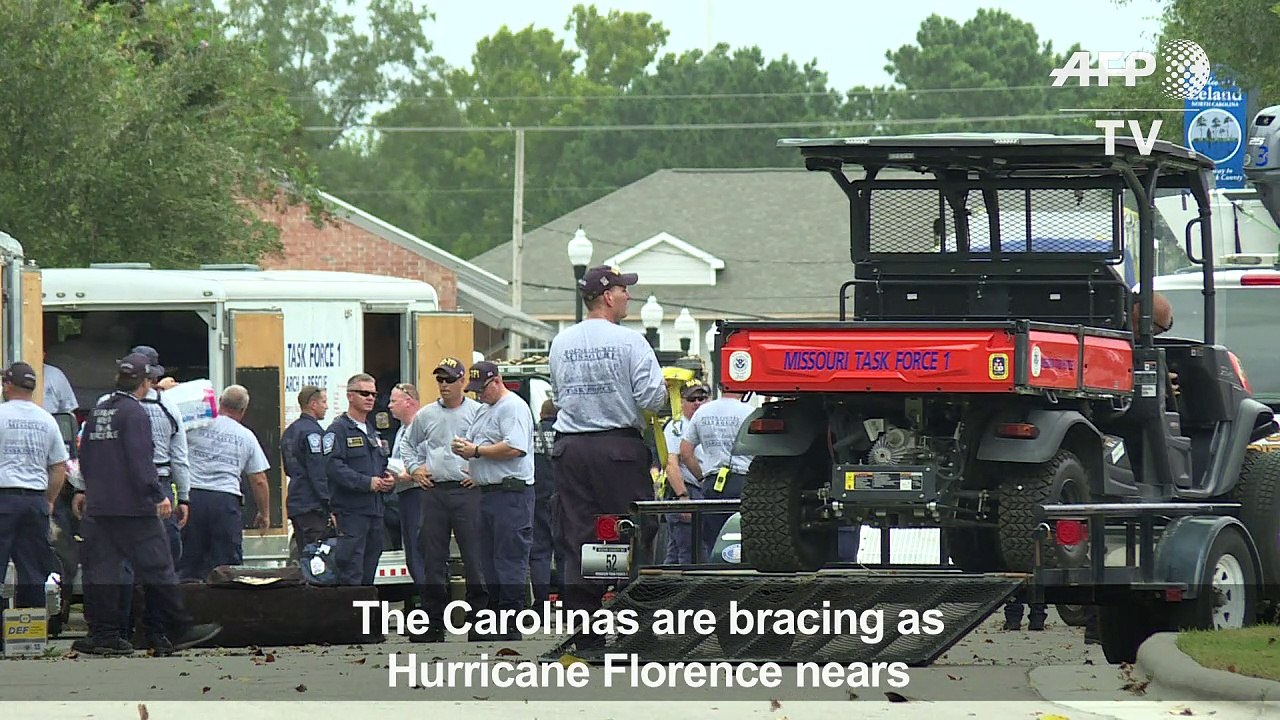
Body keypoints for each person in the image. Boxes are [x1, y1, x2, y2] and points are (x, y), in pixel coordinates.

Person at [73, 353, 221, 655]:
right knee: (159, 567)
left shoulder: (99, 410)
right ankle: (175, 629)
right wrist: (158, 495)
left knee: (103, 572)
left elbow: (85, 457)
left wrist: (87, 491)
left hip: (101, 507)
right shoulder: (135, 412)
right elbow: (140, 460)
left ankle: (106, 635)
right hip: (135, 507)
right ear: (144, 382)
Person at [548, 265, 668, 629]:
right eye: (623, 289)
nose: (628, 295)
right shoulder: (629, 342)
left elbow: (557, 395)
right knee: (633, 532)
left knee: (579, 536)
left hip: (571, 450)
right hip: (618, 449)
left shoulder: (561, 342)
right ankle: (636, 624)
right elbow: (652, 396)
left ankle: (585, 631)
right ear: (607, 296)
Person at [400, 357, 486, 642]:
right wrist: (415, 470)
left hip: (467, 492)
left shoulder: (477, 412)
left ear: (462, 381)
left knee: (474, 557)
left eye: (450, 380)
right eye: (440, 380)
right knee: (432, 558)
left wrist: (481, 474)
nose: (444, 385)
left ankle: (479, 621)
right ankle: (433, 622)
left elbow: (490, 444)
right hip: (435, 492)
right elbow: (408, 444)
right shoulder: (426, 415)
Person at [451, 361, 535, 640]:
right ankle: (495, 618)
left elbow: (514, 447)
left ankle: (510, 622)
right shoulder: (486, 410)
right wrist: (473, 458)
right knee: (488, 560)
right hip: (489, 492)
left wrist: (476, 451)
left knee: (508, 560)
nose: (479, 395)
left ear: (497, 381)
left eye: (482, 389)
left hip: (511, 494)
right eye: (474, 391)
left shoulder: (512, 407)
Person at [178, 385, 271, 581]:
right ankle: (226, 607)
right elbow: (259, 480)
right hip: (225, 502)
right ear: (243, 410)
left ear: (220, 401)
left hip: (192, 498)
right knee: (227, 566)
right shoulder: (246, 436)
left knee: (188, 561)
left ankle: (187, 605)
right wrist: (264, 514)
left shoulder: (196, 425)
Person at [0, 362, 68, 617]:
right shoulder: (47, 420)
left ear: (7, 385)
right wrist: (49, 501)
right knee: (32, 572)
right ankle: (30, 634)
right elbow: (59, 467)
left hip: (4, 499)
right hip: (35, 502)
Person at [326, 373, 397, 586]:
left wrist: (388, 481)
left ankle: (365, 617)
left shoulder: (373, 432)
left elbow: (381, 465)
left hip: (375, 512)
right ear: (350, 396)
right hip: (352, 512)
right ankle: (351, 618)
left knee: (369, 572)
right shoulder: (338, 430)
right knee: (351, 571)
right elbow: (333, 467)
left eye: (373, 394)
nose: (370, 398)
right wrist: (366, 482)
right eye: (364, 393)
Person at [679, 382, 755, 559]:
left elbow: (685, 451)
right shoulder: (748, 412)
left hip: (712, 484)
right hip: (742, 482)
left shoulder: (703, 412)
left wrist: (701, 478)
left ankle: (717, 576)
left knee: (714, 540)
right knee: (743, 538)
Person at [281, 385, 332, 559]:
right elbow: (318, 471)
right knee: (317, 558)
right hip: (313, 504)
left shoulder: (289, 432)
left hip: (297, 500)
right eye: (324, 402)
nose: (327, 406)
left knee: (304, 553)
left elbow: (288, 468)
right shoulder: (313, 433)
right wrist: (329, 502)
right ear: (313, 404)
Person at [663, 382, 710, 564]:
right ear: (682, 402)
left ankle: (665, 589)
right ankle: (690, 591)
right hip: (687, 490)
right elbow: (671, 464)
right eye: (692, 399)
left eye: (702, 398)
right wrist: (683, 497)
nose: (697, 403)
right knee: (691, 553)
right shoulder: (677, 427)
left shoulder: (706, 423)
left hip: (703, 490)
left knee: (676, 552)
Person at [386, 383, 425, 586]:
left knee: (420, 551)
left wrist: (407, 475)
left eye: (394, 401)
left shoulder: (422, 426)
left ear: (408, 401)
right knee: (410, 552)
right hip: (403, 495)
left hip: (419, 495)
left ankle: (433, 609)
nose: (389, 405)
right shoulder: (402, 430)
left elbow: (430, 462)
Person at [530, 399, 563, 603]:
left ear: (541, 415)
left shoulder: (531, 434)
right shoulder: (564, 434)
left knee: (539, 551)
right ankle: (568, 599)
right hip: (562, 499)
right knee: (564, 551)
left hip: (537, 497)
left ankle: (541, 602)